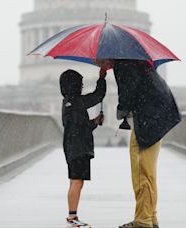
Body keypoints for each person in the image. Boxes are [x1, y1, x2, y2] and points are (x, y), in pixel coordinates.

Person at [98, 59, 181, 228]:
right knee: (143, 169)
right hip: (151, 116)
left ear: (107, 55)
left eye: (97, 57)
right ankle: (149, 217)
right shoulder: (130, 62)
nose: (94, 60)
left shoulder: (124, 65)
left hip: (151, 118)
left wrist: (120, 111)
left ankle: (143, 220)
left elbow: (128, 94)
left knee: (143, 169)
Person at [60, 68, 106, 228]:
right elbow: (97, 96)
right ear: (74, 85)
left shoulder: (67, 102)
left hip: (71, 146)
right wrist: (102, 78)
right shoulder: (77, 101)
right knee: (77, 181)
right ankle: (72, 218)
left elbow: (78, 125)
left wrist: (94, 121)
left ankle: (72, 216)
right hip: (79, 147)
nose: (81, 87)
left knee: (75, 181)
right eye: (80, 84)